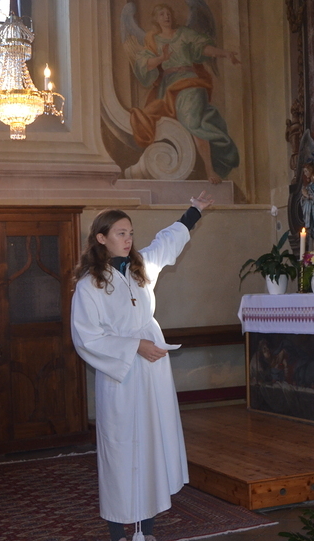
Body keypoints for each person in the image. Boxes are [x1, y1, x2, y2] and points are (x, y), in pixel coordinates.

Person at [71, 193, 213, 541]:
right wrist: (135, 346)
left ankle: (146, 530)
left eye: (130, 233)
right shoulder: (89, 285)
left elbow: (168, 242)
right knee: (121, 448)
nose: (128, 239)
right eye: (120, 233)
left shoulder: (141, 268)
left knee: (150, 444)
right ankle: (118, 532)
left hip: (151, 373)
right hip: (120, 375)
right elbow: (86, 337)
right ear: (101, 238)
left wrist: (194, 211)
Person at [126, 2, 240, 184]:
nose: (166, 16)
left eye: (168, 13)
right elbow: (144, 64)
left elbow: (202, 48)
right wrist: (161, 58)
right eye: (162, 14)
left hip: (191, 83)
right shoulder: (153, 39)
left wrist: (224, 53)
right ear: (156, 19)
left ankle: (210, 169)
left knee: (192, 121)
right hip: (169, 88)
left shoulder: (185, 33)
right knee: (156, 115)